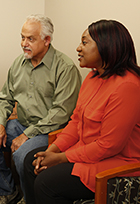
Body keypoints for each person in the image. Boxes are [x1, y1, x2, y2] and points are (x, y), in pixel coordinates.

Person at [23, 19, 140, 204]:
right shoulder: (92, 77)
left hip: (116, 162)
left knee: (46, 182)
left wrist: (61, 158)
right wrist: (52, 150)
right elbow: (76, 122)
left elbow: (109, 145)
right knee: (32, 160)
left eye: (85, 42)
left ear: (106, 46)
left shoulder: (127, 86)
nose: (78, 48)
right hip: (87, 152)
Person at [0, 14, 82, 204]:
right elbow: (4, 98)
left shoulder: (65, 67)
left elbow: (61, 112)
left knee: (22, 154)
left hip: (51, 131)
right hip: (22, 124)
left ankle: (29, 198)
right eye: (22, 37)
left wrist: (27, 135)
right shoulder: (19, 63)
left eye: (30, 39)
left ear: (47, 40)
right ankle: (7, 191)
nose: (24, 43)